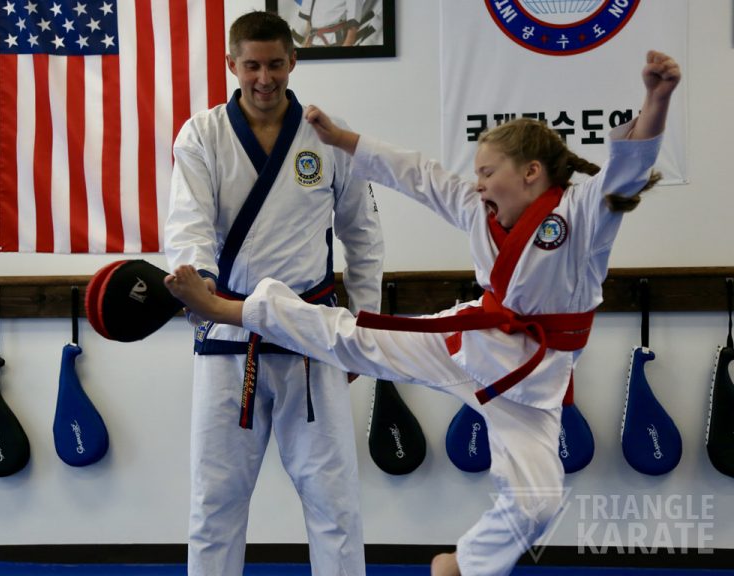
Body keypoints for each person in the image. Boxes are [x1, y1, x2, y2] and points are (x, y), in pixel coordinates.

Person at [165, 50, 681, 576]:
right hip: (471, 344)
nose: (477, 184)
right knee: (353, 334)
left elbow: (628, 170)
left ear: (531, 172)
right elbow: (416, 173)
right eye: (476, 174)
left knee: (541, 503)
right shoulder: (477, 209)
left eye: (487, 172)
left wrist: (656, 100)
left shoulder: (581, 216)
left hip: (533, 388)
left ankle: (460, 564)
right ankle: (236, 309)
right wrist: (344, 142)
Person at [163, 10, 384, 576]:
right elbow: (188, 224)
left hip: (312, 336)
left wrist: (366, 325)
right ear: (231, 65)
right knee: (215, 503)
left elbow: (362, 233)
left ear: (293, 61)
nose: (265, 78)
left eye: (276, 64)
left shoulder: (327, 136)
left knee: (334, 501)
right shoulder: (202, 134)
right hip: (229, 330)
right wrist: (199, 285)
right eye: (252, 66)